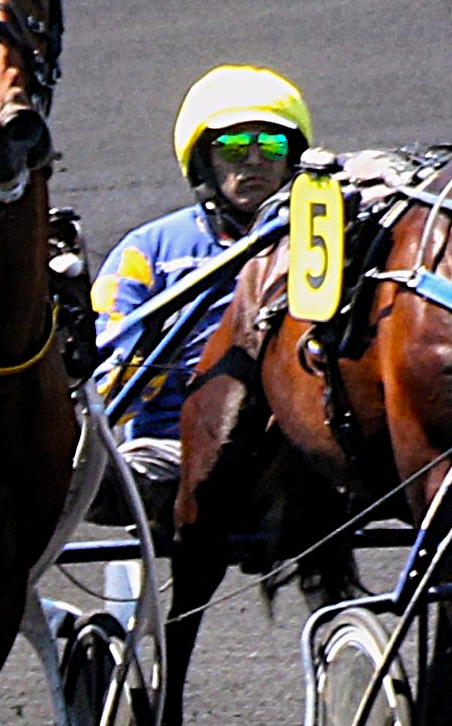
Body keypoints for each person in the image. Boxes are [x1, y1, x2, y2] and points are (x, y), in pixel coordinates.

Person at [94, 66, 311, 499]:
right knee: (95, 484)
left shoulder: (324, 243)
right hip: (172, 451)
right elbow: (103, 395)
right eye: (232, 146)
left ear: (293, 158)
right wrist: (150, 347)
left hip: (299, 450)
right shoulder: (148, 252)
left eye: (270, 144)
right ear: (203, 162)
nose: (253, 160)